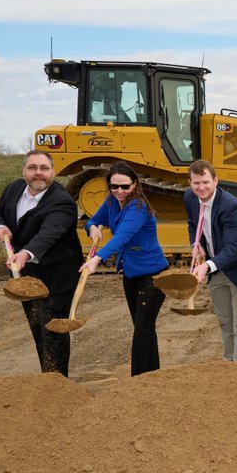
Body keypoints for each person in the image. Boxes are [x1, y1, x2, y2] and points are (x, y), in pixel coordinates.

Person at [0, 149, 84, 376]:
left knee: (53, 331)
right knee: (37, 328)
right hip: (27, 277)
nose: (38, 174)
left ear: (53, 171)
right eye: (32, 168)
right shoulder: (13, 189)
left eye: (44, 168)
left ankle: (58, 385)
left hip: (58, 277)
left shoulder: (63, 201)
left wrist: (26, 253)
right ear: (24, 171)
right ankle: (47, 380)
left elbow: (49, 233)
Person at [80, 161, 169, 375]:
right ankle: (151, 375)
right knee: (142, 328)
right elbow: (93, 219)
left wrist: (97, 259)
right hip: (131, 273)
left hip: (152, 275)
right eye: (114, 186)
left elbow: (122, 237)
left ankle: (139, 379)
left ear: (135, 184)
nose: (119, 191)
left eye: (124, 186)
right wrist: (92, 227)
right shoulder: (112, 201)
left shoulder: (138, 207)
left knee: (142, 329)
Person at [183, 159, 237, 361]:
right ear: (189, 183)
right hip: (216, 269)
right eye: (196, 183)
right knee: (225, 321)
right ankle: (228, 365)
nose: (201, 188)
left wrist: (206, 266)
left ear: (215, 181)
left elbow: (233, 249)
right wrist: (195, 244)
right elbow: (193, 224)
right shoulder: (189, 198)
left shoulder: (231, 206)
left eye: (206, 182)